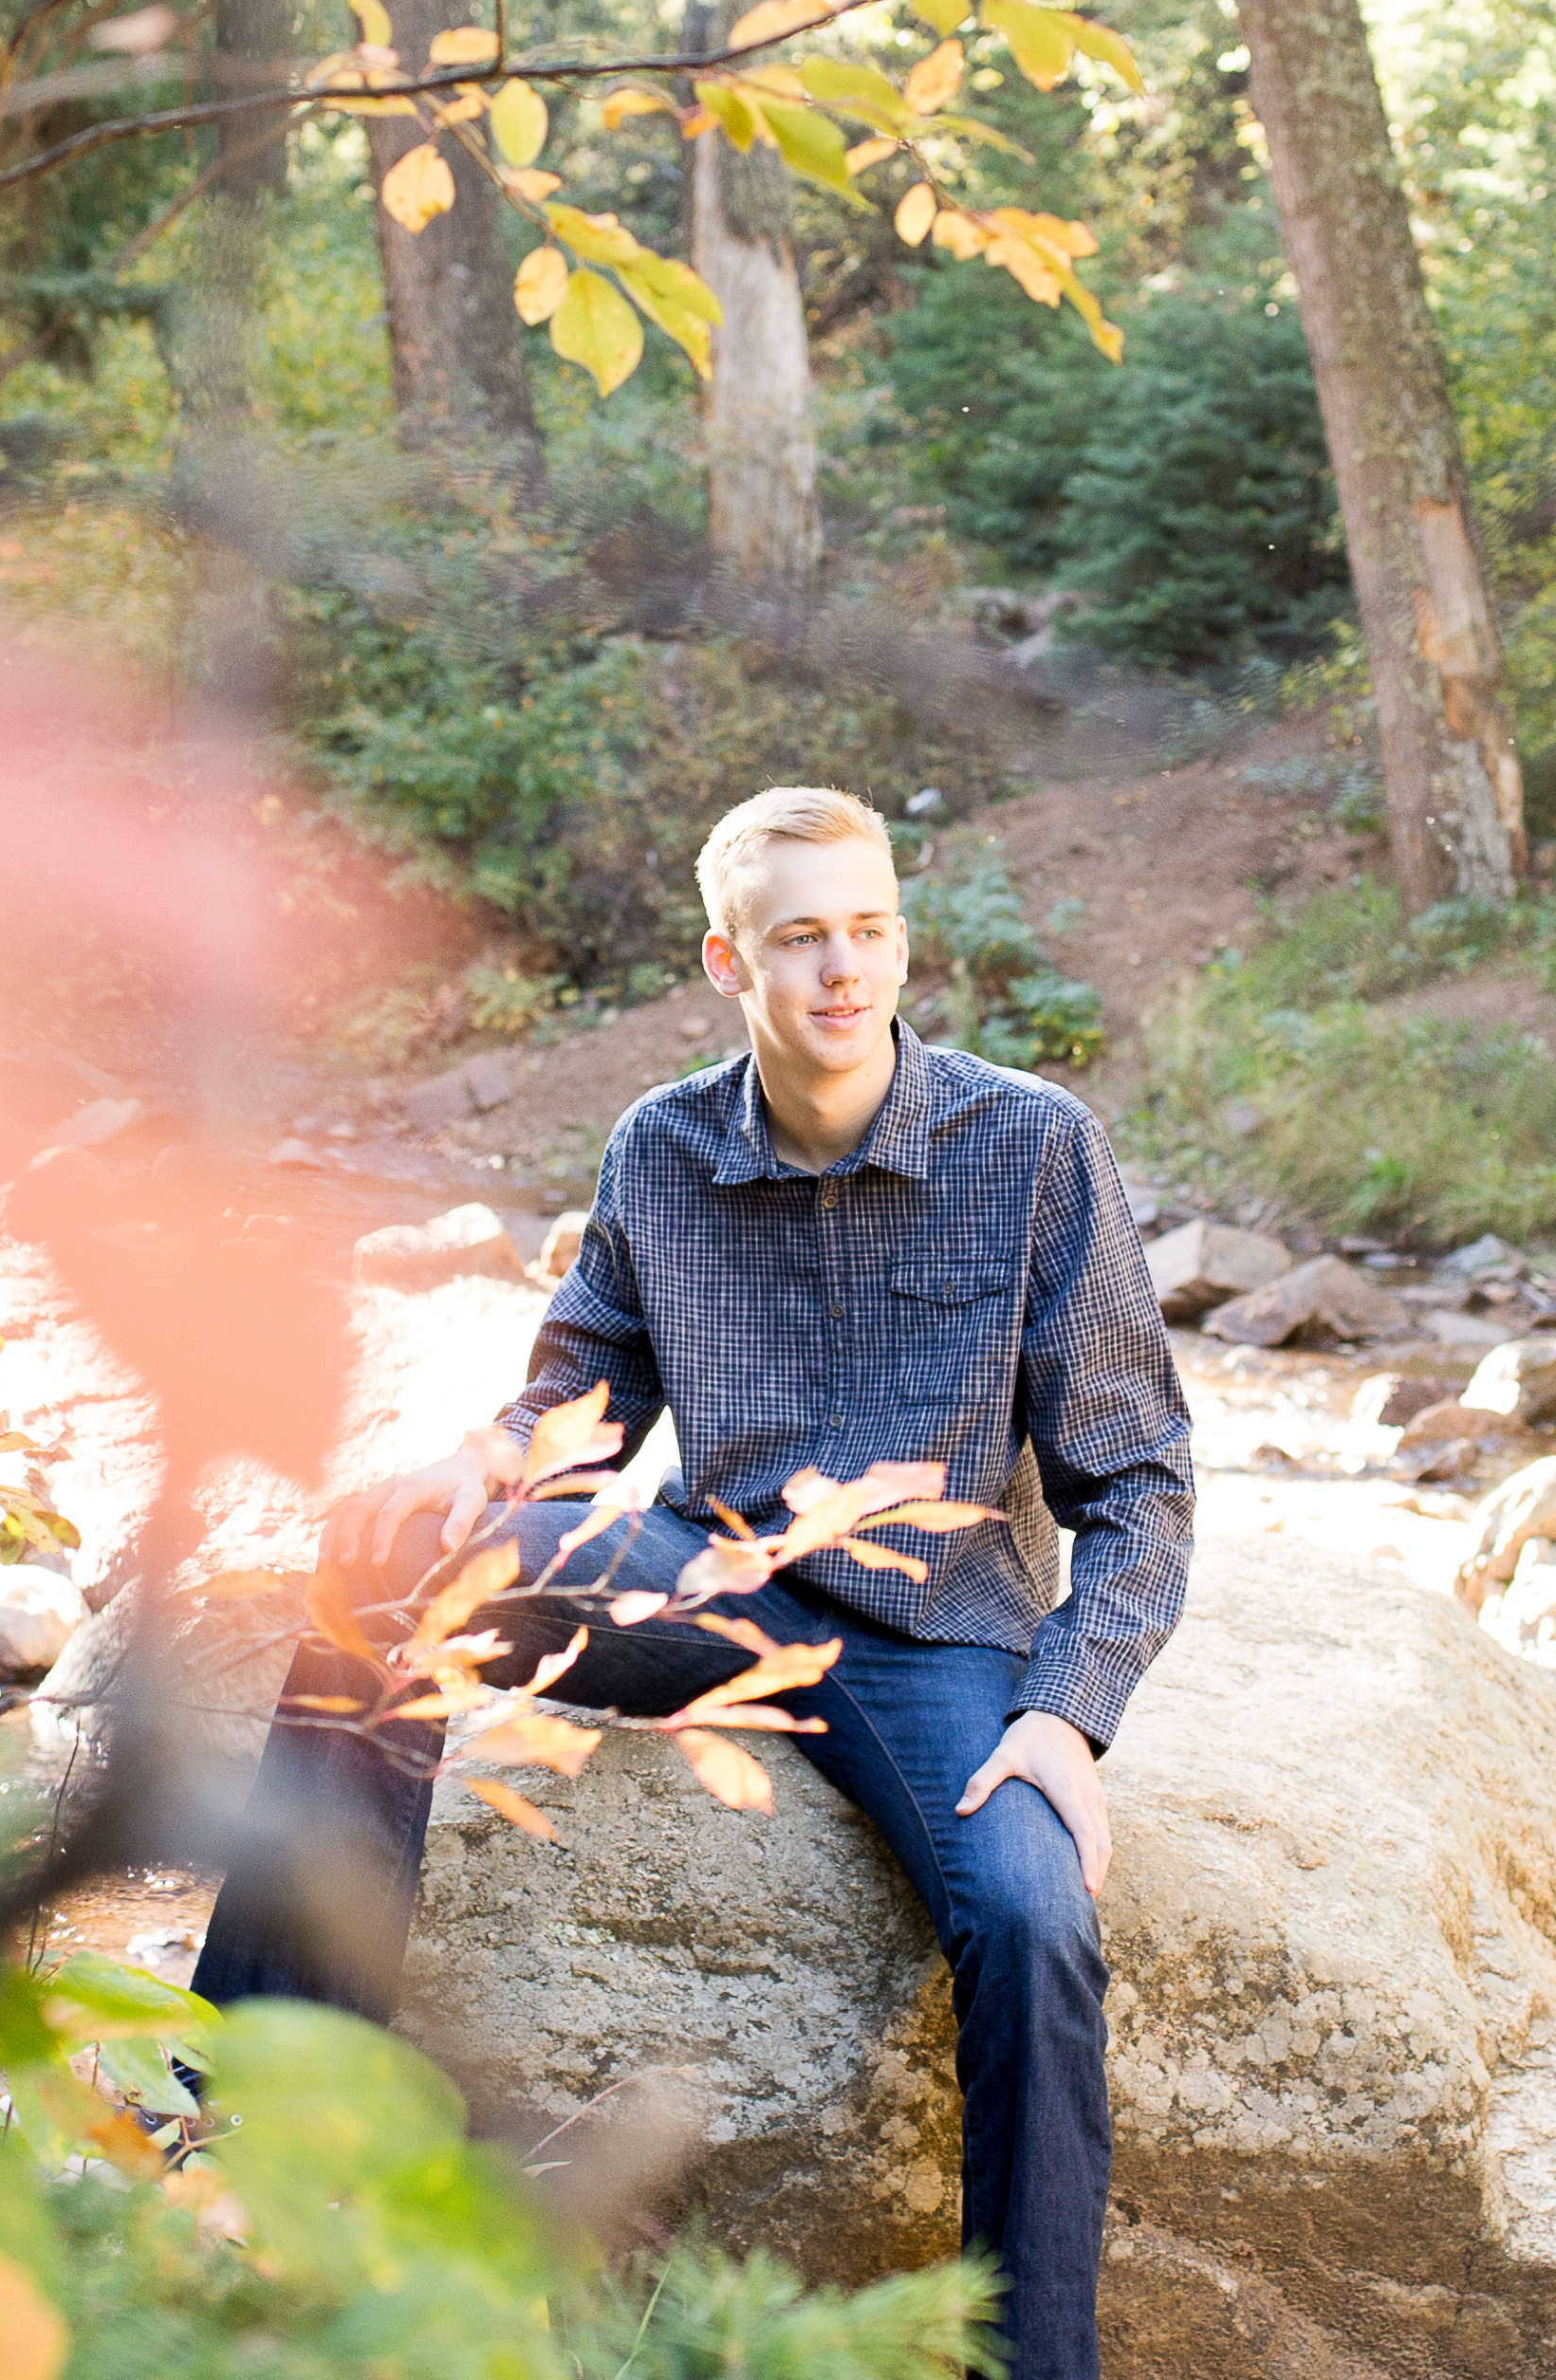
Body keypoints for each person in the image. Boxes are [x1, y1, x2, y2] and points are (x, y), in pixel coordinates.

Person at [193, 785, 1194, 2379]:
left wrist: (1071, 1710)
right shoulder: (660, 1148)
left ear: (901, 937)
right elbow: (574, 1403)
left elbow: (1135, 1481)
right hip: (714, 1590)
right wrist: (493, 1462)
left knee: (1028, 1914)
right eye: (800, 938)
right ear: (729, 959)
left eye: (868, 929)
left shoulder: (1034, 1144)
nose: (842, 969)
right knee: (383, 1554)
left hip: (938, 1643)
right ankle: (263, 2105)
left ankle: (1033, 2359)